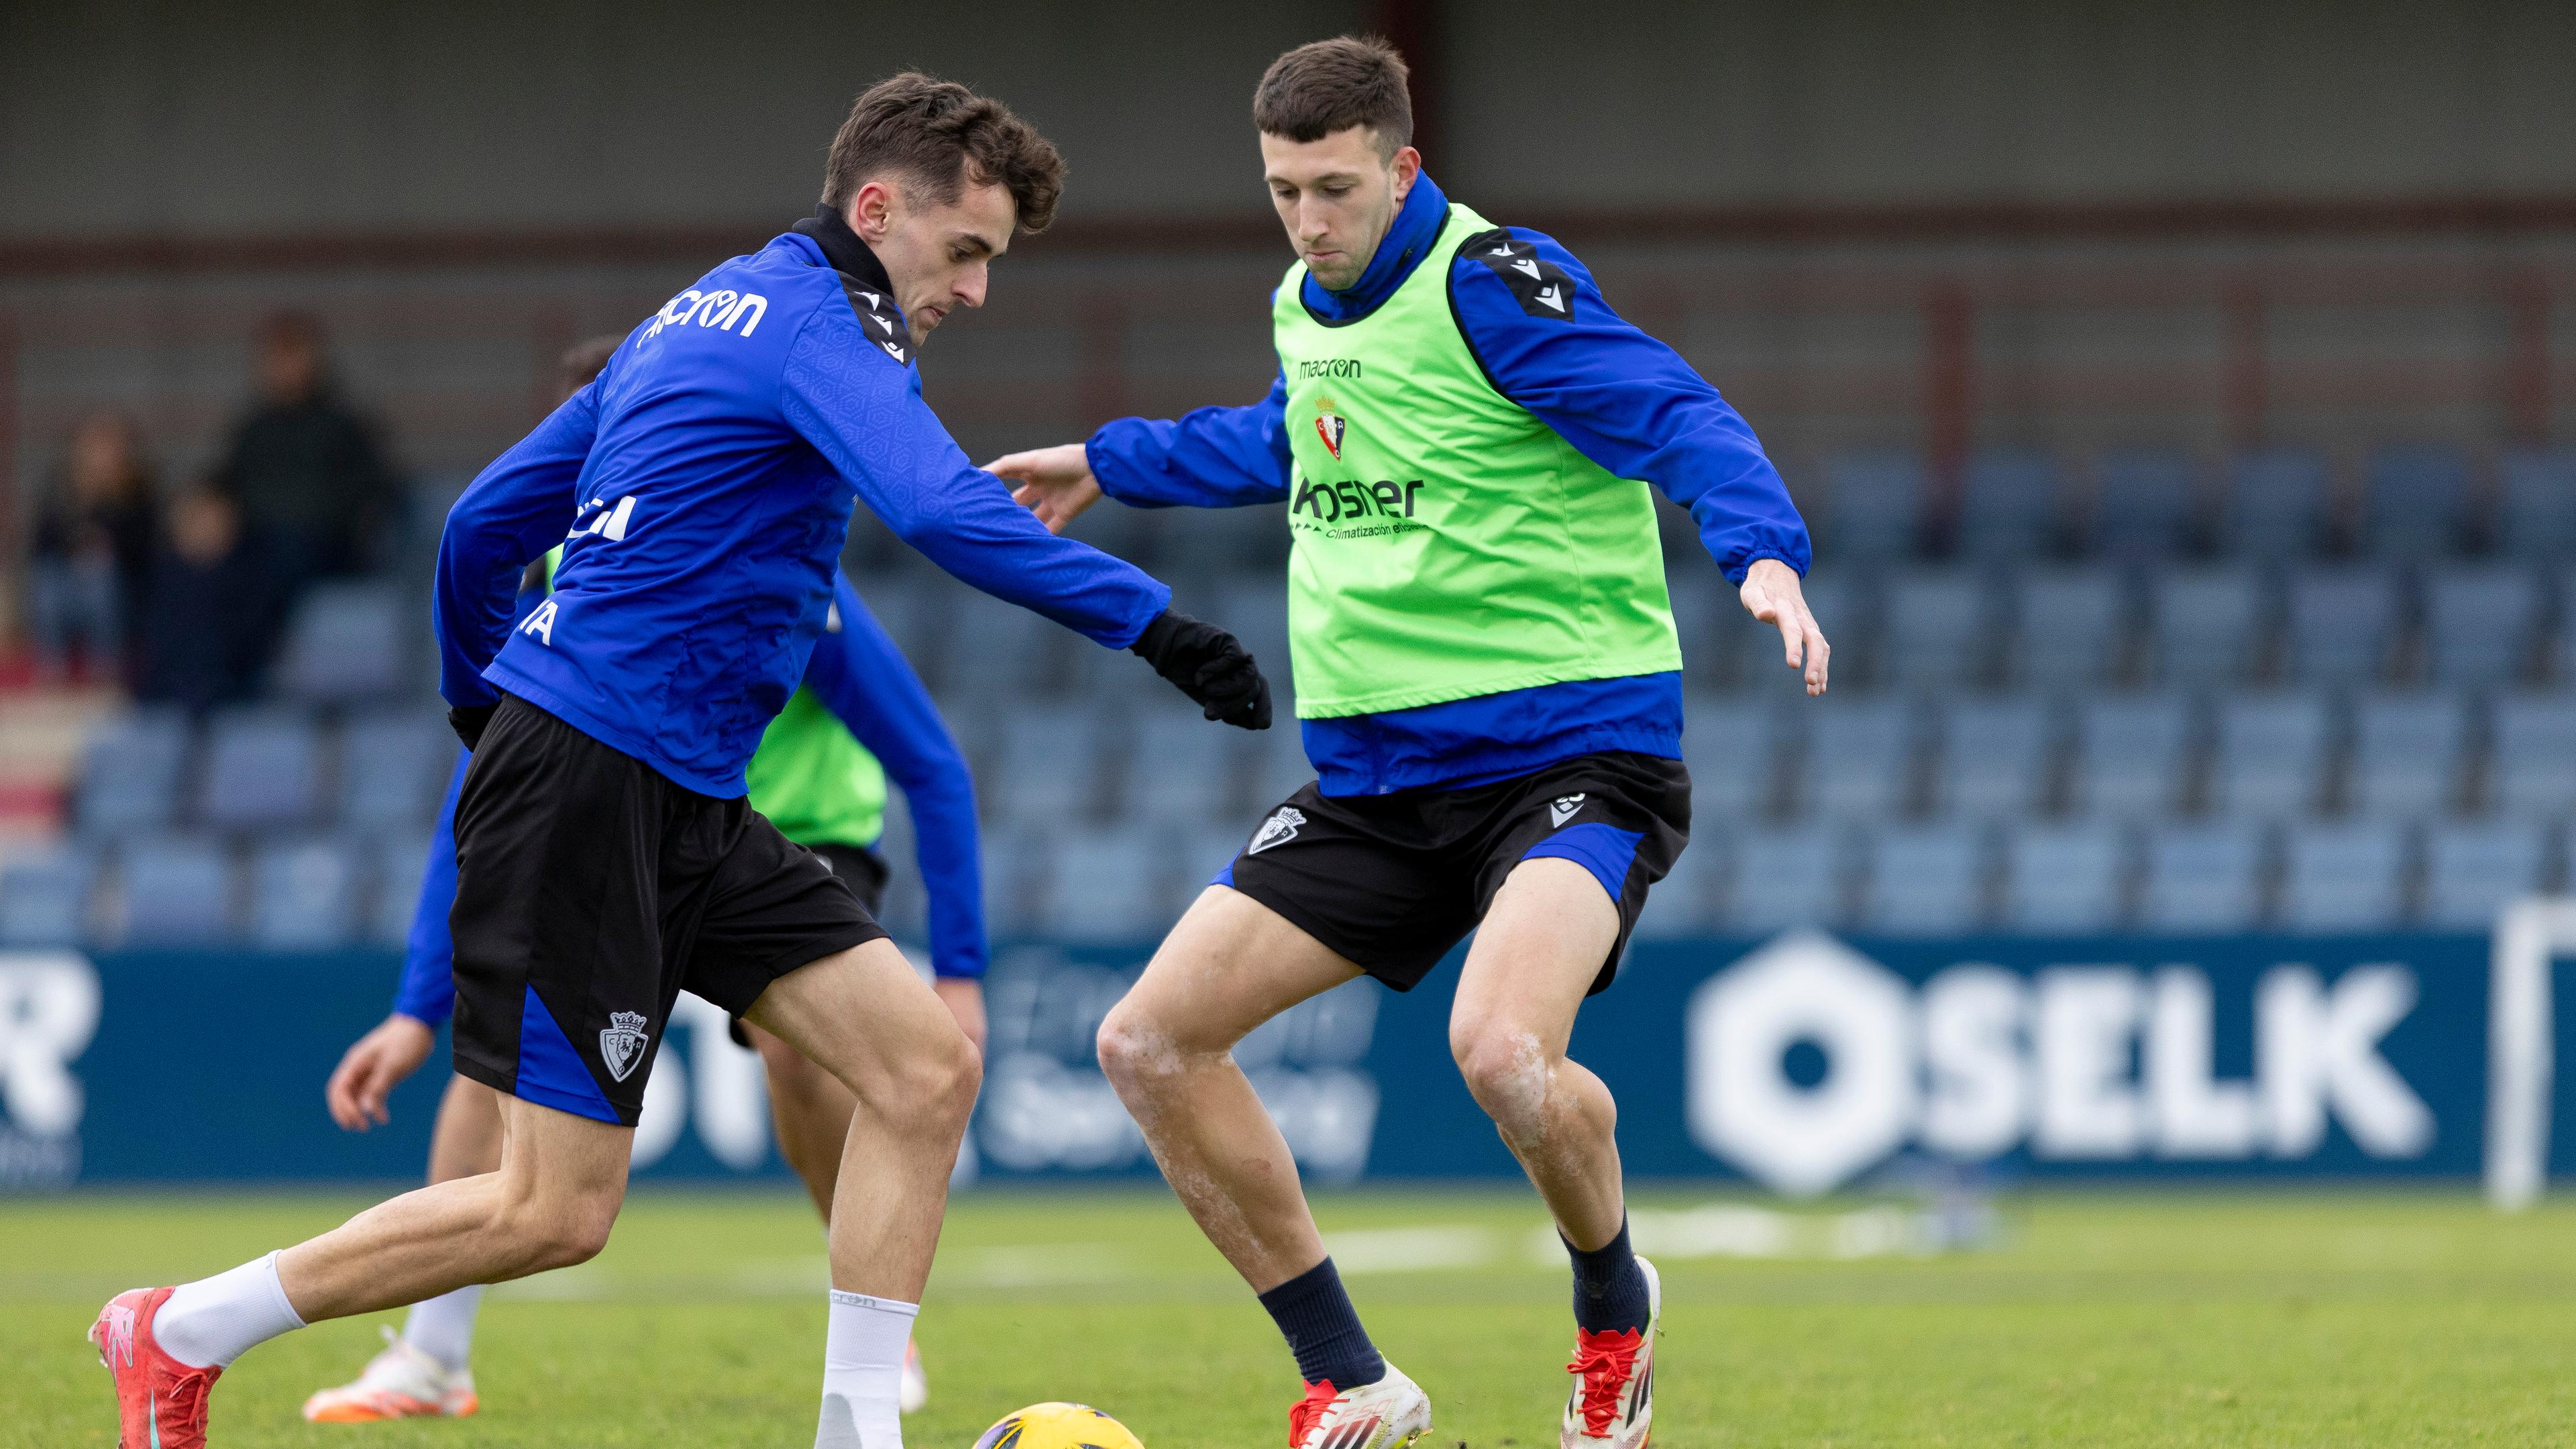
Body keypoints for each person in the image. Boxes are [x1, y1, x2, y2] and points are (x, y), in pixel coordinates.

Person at [92, 72, 1268, 1449]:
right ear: (878, 209)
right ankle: (176, 1330)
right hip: (598, 776)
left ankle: (855, 1434)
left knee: (921, 1071)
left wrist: (488, 710)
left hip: (681, 789)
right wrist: (1155, 624)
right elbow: (943, 509)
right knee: (554, 1214)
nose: (976, 291)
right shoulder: (822, 325)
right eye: (967, 253)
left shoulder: (695, 311)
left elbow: (481, 526)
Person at [989, 37, 1827, 1449]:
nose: (1309, 221)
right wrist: (1111, 460)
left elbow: (1676, 409)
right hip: (1381, 781)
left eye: (1332, 188)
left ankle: (1613, 1311)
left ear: (1403, 166)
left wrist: (1764, 555)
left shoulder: (1495, 288)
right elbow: (1296, 435)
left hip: (1574, 755)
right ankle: (1353, 1381)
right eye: (1281, 192)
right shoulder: (1305, 301)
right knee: (1147, 1043)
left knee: (1501, 1052)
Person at [301, 339, 987, 1425]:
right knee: (495, 1074)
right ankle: (432, 1359)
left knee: (811, 1059)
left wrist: (962, 971)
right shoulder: (576, 589)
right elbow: (482, 814)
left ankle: (863, 1314)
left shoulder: (773, 571)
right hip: (620, 832)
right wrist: (413, 1011)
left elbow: (931, 765)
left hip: (796, 839)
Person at [211, 311, 403, 584]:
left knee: (277, 562)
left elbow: (376, 493)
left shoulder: (343, 426)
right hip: (258, 542)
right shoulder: (253, 430)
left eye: (291, 353)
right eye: (274, 355)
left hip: (323, 545)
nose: (283, 365)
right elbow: (224, 485)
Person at [28, 413, 159, 686]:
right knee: (47, 579)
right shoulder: (61, 490)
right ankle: (52, 666)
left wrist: (104, 524)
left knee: (100, 574)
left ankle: (106, 664)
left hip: (122, 587)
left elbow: (144, 551)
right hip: (68, 580)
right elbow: (41, 544)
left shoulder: (139, 494)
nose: (101, 455)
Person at [133, 484, 289, 711]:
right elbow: (156, 648)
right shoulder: (159, 581)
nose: (204, 530)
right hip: (167, 695)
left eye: (213, 520)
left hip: (236, 694)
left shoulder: (253, 580)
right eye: (195, 521)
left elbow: (254, 649)